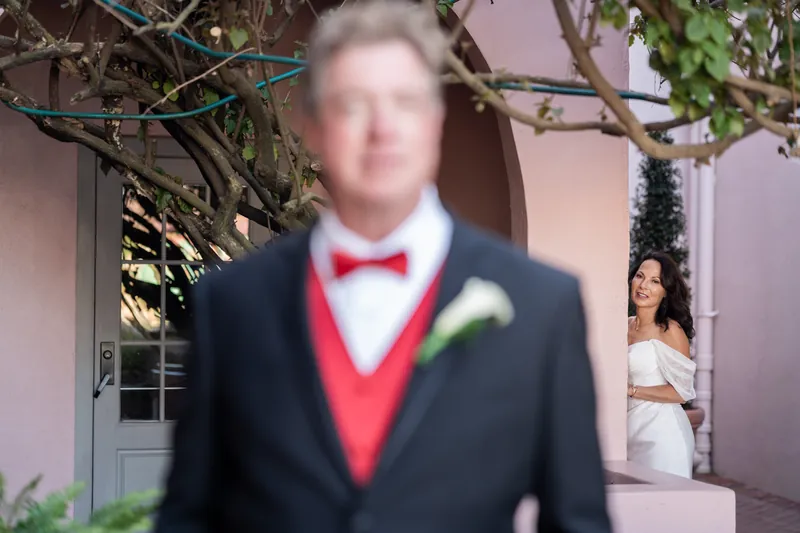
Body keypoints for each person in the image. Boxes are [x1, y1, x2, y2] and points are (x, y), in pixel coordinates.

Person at [155, 1, 612, 532]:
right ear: (313, 126)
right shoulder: (230, 306)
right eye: (353, 104)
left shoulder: (541, 309)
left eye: (405, 102)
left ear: (436, 121)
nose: (382, 129)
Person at [627, 251, 697, 478]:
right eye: (639, 276)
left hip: (663, 434)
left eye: (655, 281)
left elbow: (681, 392)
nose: (643, 285)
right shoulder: (621, 325)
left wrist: (631, 391)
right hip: (627, 431)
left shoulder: (671, 330)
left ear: (666, 291)